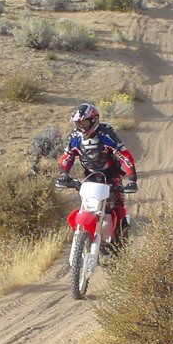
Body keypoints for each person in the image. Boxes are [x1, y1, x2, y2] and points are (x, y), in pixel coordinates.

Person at [56, 102, 138, 249]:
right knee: (88, 205)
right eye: (78, 123)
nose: (81, 127)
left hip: (111, 175)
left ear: (94, 120)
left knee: (116, 206)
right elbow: (68, 156)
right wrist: (63, 174)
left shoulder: (106, 134)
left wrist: (132, 178)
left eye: (84, 123)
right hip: (90, 176)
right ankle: (87, 234)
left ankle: (121, 245)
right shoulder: (75, 137)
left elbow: (123, 155)